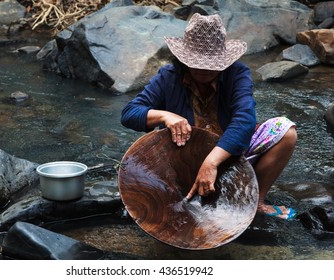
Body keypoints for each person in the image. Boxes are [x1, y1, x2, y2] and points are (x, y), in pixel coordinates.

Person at [120, 13, 297, 220]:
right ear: (184, 59)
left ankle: (255, 202)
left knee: (286, 131)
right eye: (197, 62)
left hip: (228, 153)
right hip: (184, 157)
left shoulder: (237, 74)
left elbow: (245, 121)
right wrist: (165, 116)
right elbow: (129, 113)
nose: (204, 69)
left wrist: (212, 162)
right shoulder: (169, 76)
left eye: (211, 63)